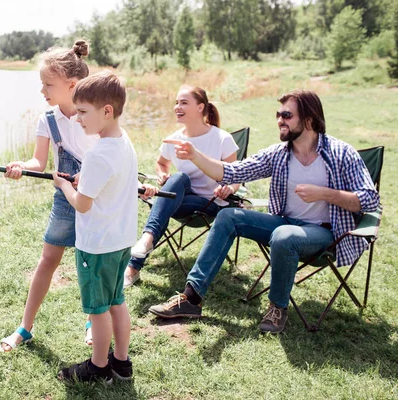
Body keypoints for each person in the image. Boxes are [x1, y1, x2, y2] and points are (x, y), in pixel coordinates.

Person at [148, 90, 380, 334]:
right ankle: (191, 299)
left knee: (284, 236)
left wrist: (324, 193)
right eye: (278, 114)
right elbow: (232, 172)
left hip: (323, 232)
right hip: (283, 222)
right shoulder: (279, 154)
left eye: (287, 115)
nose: (280, 119)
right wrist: (195, 155)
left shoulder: (341, 153)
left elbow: (369, 199)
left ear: (309, 120)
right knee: (228, 217)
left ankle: (277, 307)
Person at [0, 40, 97, 352]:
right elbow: (38, 162)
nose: (43, 91)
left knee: (91, 263)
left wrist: (89, 178)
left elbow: (107, 157)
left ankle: (94, 321)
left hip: (95, 200)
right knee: (47, 260)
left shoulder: (94, 114)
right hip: (64, 200)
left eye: (48, 84)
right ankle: (25, 328)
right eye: (42, 84)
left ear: (72, 84)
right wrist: (20, 166)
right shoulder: (48, 119)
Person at [53, 71, 136, 383]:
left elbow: (83, 204)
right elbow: (107, 186)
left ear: (107, 111)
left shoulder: (98, 154)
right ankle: (122, 363)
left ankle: (99, 367)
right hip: (121, 240)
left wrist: (63, 185)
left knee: (98, 309)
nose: (77, 119)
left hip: (97, 245)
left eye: (83, 112)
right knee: (116, 301)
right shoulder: (122, 142)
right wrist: (82, 182)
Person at [124, 85, 240, 288]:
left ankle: (134, 264)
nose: (177, 107)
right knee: (178, 178)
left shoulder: (222, 138)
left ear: (200, 107)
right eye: (176, 102)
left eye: (184, 102)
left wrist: (229, 188)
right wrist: (163, 175)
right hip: (177, 200)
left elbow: (235, 176)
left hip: (209, 202)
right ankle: (148, 239)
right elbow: (161, 163)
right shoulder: (175, 138)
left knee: (169, 193)